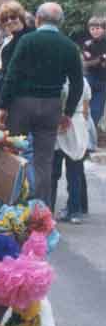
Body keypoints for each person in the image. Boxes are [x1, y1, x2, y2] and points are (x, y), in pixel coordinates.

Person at [0, 2, 83, 207]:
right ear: (61, 22)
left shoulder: (27, 40)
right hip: (52, 106)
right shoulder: (69, 46)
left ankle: (13, 206)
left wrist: (3, 105)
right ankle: (41, 212)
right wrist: (68, 112)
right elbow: (77, 85)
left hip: (22, 105)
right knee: (44, 161)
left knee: (14, 155)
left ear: (37, 19)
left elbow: (12, 75)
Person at [51, 77, 91, 224]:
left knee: (53, 174)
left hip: (58, 125)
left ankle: (48, 211)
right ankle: (75, 211)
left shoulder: (56, 79)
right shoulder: (83, 81)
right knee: (75, 173)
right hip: (77, 126)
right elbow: (86, 109)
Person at [0, 1, 33, 106]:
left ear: (21, 17)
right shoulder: (7, 48)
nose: (9, 21)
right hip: (17, 100)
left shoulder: (36, 37)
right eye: (5, 19)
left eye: (13, 17)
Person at [80, 16, 106, 130]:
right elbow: (88, 63)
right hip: (89, 77)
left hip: (103, 79)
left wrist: (97, 60)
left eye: (98, 28)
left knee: (97, 109)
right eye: (92, 29)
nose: (95, 31)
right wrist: (102, 58)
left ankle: (91, 132)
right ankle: (83, 131)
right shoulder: (87, 44)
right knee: (84, 106)